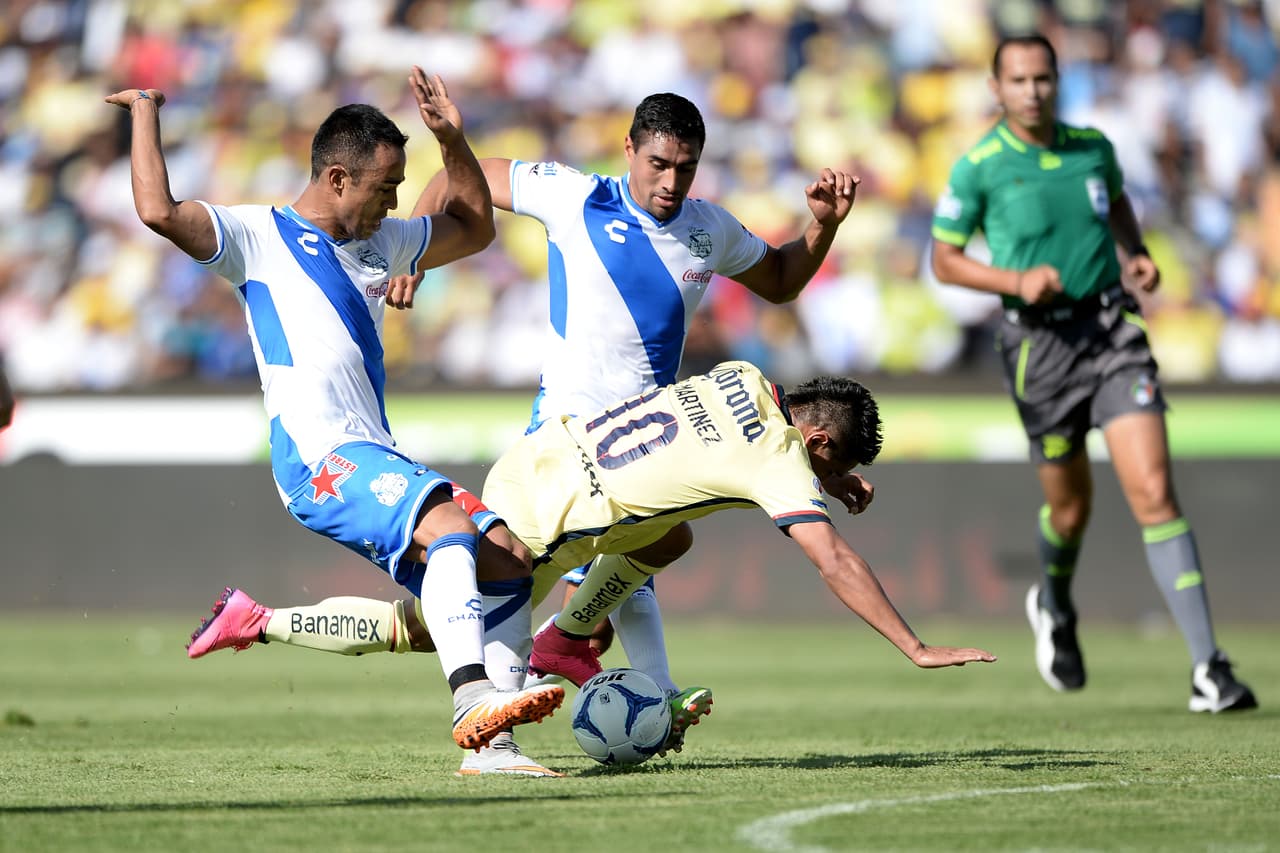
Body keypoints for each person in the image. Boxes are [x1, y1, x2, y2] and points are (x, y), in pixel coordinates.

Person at [106, 67, 566, 767]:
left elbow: (475, 228)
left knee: (507, 561)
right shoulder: (257, 236)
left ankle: (492, 745)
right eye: (384, 188)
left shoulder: (380, 244)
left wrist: (453, 141)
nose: (394, 202)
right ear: (338, 178)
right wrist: (144, 110)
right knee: (446, 524)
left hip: (371, 448)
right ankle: (472, 693)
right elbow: (159, 211)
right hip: (319, 458)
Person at [195, 361, 995, 744]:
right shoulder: (781, 460)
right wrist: (914, 646)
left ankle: (569, 635)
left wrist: (828, 478)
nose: (825, 479)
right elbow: (834, 560)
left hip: (540, 457)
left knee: (669, 533)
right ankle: (267, 623)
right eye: (832, 464)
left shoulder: (744, 376)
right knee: (432, 635)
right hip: (544, 519)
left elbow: (746, 449)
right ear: (815, 441)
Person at [418, 92, 863, 751]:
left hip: (649, 440)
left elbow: (778, 279)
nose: (671, 181)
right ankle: (524, 710)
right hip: (565, 436)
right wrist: (413, 254)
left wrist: (821, 226)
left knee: (640, 551)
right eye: (658, 163)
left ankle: (633, 688)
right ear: (629, 150)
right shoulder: (575, 197)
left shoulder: (708, 228)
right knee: (533, 579)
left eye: (686, 167)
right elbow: (456, 176)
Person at [929, 33, 1256, 713]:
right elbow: (945, 259)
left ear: (1058, 80)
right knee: (1071, 508)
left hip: (1111, 333)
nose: (1032, 91)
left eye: (1043, 78)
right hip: (1039, 351)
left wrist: (1133, 253)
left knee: (1154, 490)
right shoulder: (980, 166)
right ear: (996, 88)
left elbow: (1118, 203)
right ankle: (1053, 600)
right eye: (1017, 80)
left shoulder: (1092, 148)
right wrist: (1016, 279)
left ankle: (1208, 668)